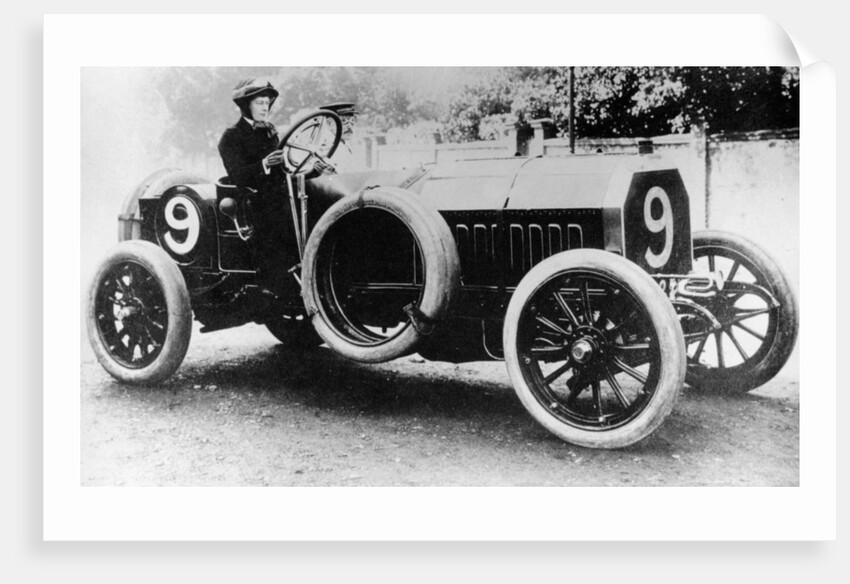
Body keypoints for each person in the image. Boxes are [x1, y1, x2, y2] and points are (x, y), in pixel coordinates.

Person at [218, 78, 296, 292]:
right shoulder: (231, 136)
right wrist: (263, 164)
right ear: (246, 105)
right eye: (259, 103)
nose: (265, 108)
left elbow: (281, 168)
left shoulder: (268, 130)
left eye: (267, 103)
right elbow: (236, 175)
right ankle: (273, 283)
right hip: (251, 199)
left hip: (276, 193)